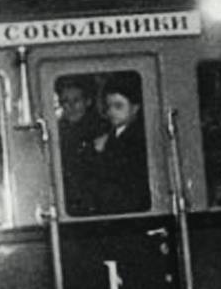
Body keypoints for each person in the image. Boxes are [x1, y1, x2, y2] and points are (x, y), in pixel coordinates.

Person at [89, 75, 151, 214]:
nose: (111, 112)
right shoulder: (109, 134)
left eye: (118, 106)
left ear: (135, 108)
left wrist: (101, 153)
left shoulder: (137, 140)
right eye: (108, 106)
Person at [55, 78, 106, 215]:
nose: (71, 106)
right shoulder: (56, 132)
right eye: (65, 101)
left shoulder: (102, 129)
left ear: (88, 102)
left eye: (76, 100)